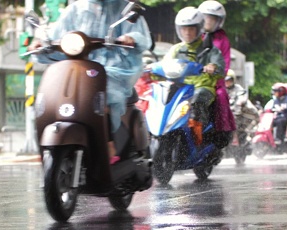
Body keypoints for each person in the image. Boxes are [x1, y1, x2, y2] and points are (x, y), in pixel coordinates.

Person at [28, 0, 152, 164]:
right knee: (56, 90)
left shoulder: (124, 9)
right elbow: (56, 36)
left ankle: (108, 141)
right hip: (78, 65)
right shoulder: (75, 9)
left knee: (104, 91)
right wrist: (42, 43)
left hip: (114, 67)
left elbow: (141, 36)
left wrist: (131, 38)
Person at [163, 6, 225, 145]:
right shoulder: (176, 49)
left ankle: (198, 142)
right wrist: (152, 70)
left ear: (199, 28)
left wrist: (212, 67)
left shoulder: (209, 49)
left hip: (202, 87)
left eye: (191, 28)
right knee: (163, 100)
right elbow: (165, 65)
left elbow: (220, 68)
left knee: (197, 103)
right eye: (184, 29)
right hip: (181, 87)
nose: (187, 32)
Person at [198, 0, 236, 148]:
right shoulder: (194, 34)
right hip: (193, 78)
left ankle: (220, 133)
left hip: (214, 81)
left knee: (220, 96)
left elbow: (224, 62)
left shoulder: (222, 39)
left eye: (212, 18)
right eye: (206, 17)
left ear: (218, 21)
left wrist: (216, 70)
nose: (208, 21)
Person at [225, 69, 259, 144]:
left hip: (239, 113)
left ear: (233, 80)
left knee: (235, 123)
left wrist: (240, 102)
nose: (227, 82)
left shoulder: (238, 88)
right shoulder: (222, 90)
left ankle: (236, 139)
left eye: (229, 80)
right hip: (225, 114)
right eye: (225, 80)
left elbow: (242, 97)